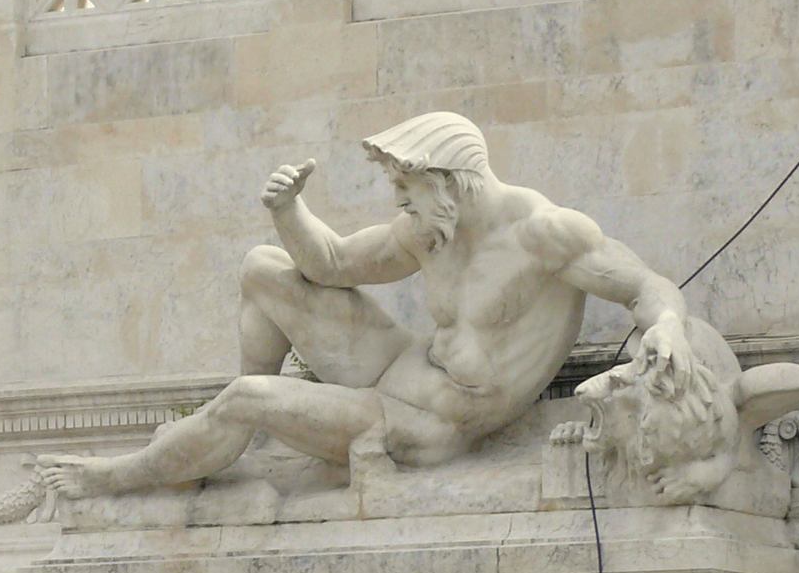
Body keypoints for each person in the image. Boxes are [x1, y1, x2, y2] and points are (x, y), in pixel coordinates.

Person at [36, 109, 696, 493]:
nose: (398, 200)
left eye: (405, 186)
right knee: (263, 268)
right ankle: (241, 442)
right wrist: (288, 210)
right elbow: (328, 264)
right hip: (394, 368)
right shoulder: (429, 230)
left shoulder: (547, 234)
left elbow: (646, 286)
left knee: (246, 398)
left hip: (432, 425)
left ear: (447, 182)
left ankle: (116, 478)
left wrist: (667, 326)